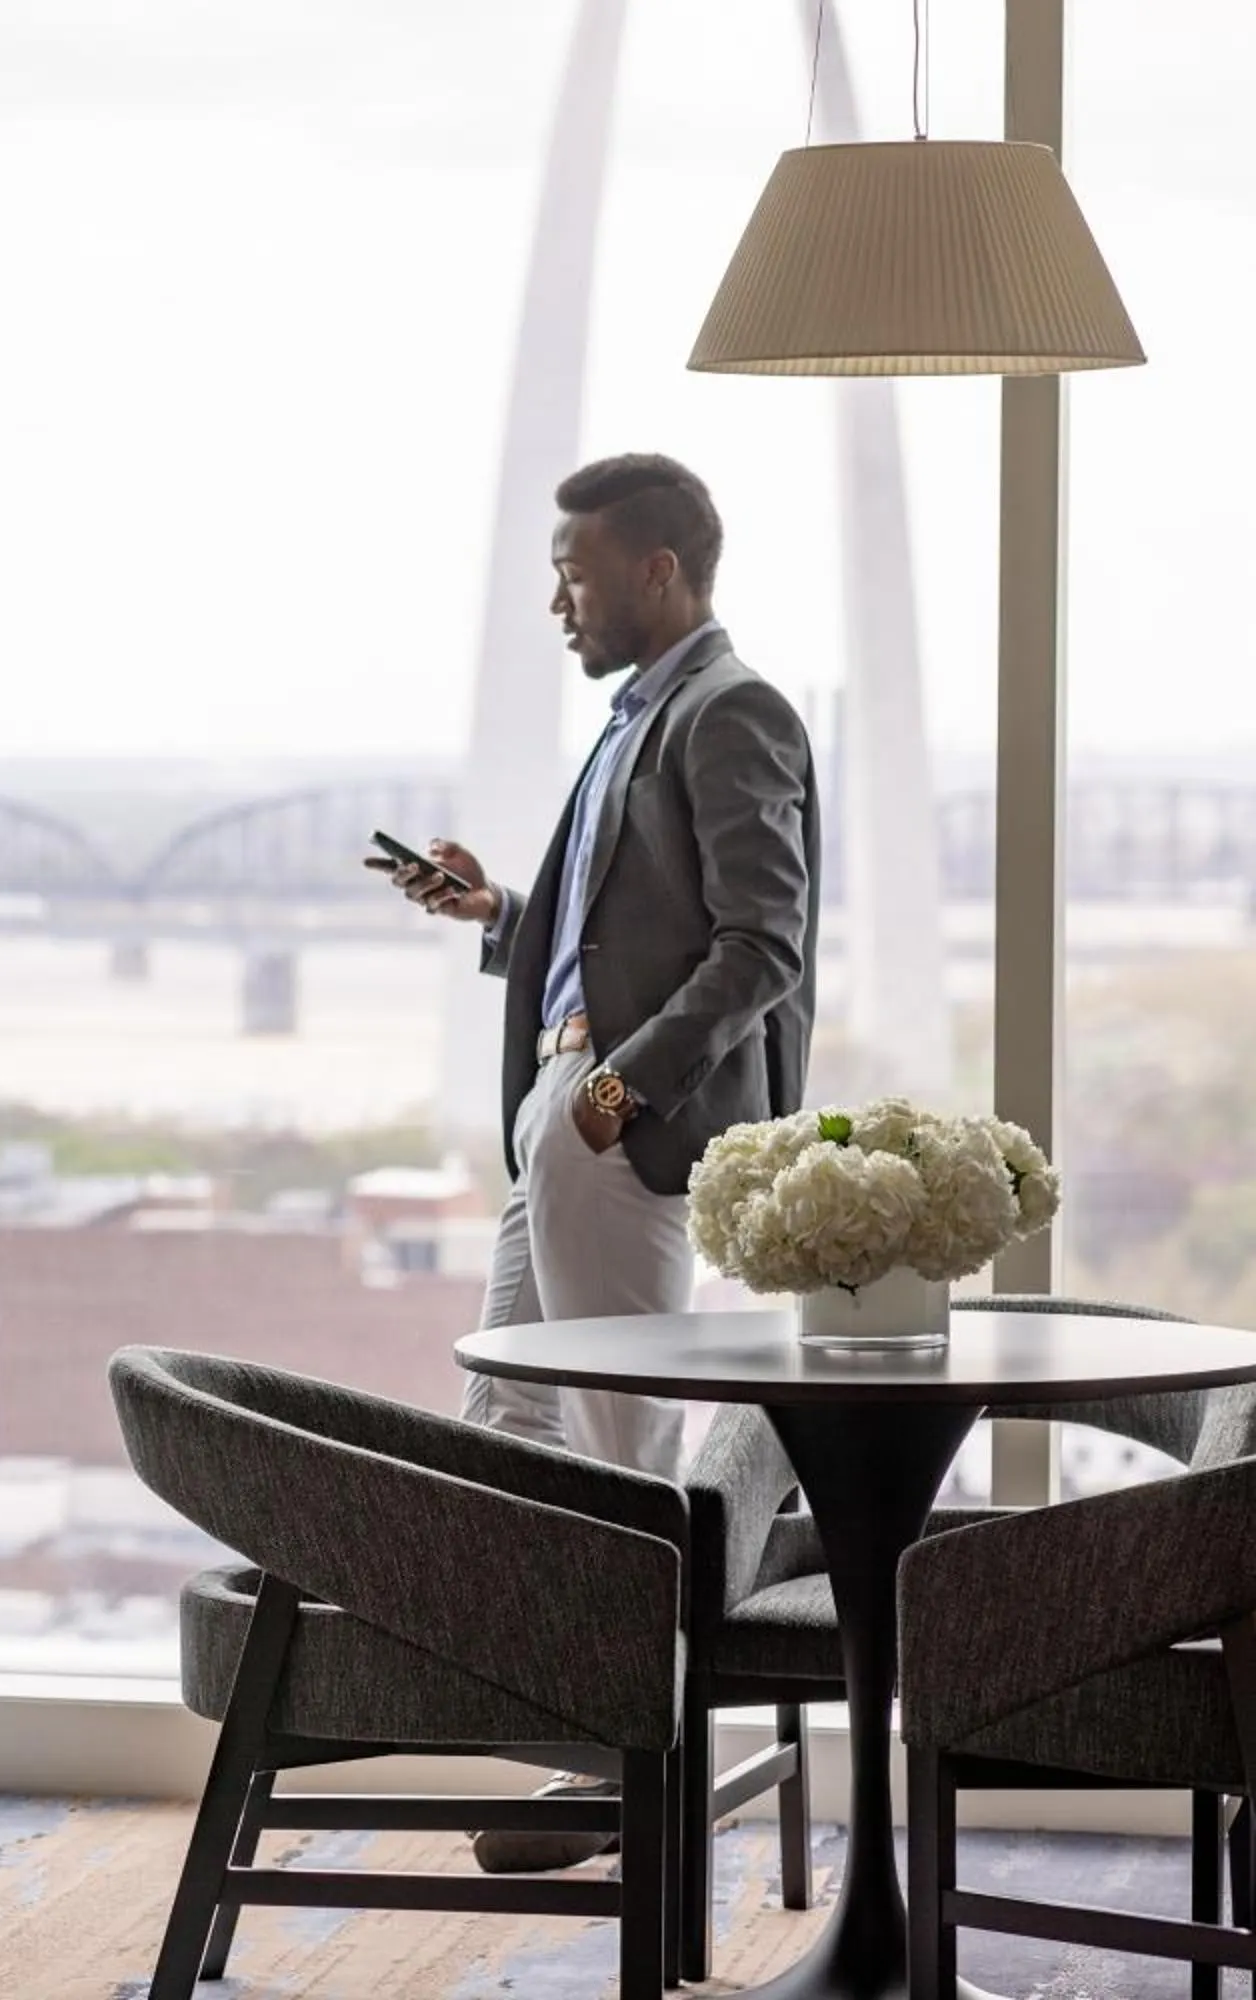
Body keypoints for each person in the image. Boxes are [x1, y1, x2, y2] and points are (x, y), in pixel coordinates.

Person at [377, 453, 820, 1869]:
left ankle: (652, 1763)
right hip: (561, 1108)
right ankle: (579, 1738)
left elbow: (762, 944)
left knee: (622, 1449)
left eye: (573, 571)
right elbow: (613, 926)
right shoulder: (642, 717)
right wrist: (497, 907)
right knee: (506, 1421)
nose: (556, 600)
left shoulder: (729, 707)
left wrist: (621, 1092)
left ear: (656, 571)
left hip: (615, 1117)